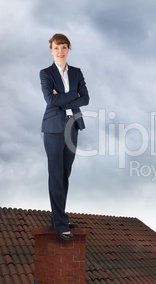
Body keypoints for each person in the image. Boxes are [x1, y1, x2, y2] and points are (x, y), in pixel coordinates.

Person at [40, 33, 90, 241]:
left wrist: (64, 99)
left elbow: (86, 99)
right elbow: (50, 100)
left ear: (69, 49)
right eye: (56, 48)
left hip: (73, 126)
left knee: (65, 174)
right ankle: (60, 224)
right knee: (55, 174)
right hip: (53, 128)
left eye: (64, 47)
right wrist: (73, 97)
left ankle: (59, 216)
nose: (60, 52)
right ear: (51, 50)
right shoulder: (46, 73)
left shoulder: (77, 73)